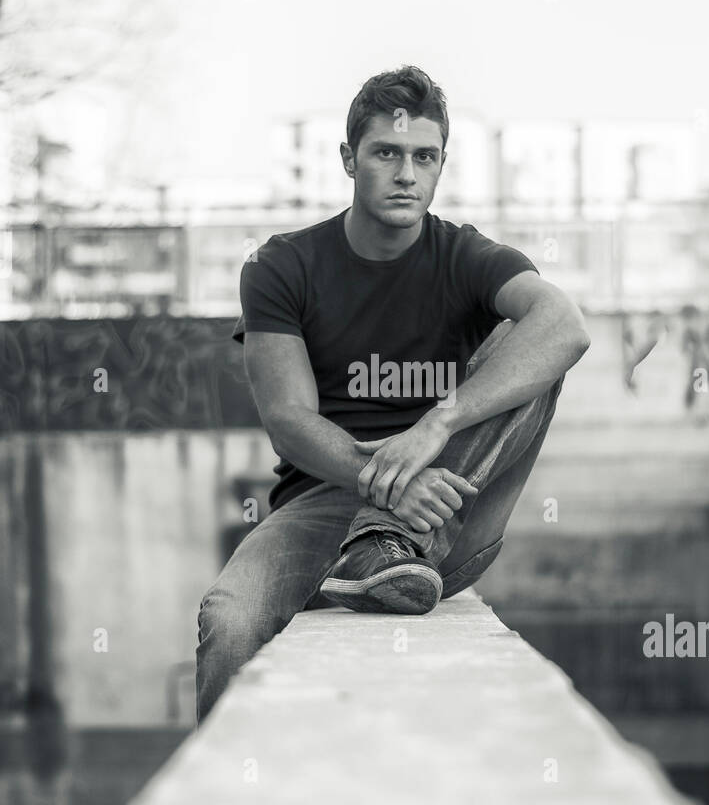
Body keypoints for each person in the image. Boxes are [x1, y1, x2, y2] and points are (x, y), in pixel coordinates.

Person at [195, 65, 590, 722]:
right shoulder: (282, 266)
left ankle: (388, 538)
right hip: (325, 505)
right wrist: (384, 480)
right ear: (349, 159)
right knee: (227, 618)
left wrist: (438, 424)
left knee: (534, 346)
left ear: (441, 165)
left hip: (448, 513)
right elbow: (290, 420)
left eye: (424, 157)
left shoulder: (466, 256)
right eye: (386, 153)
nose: (407, 174)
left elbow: (566, 326)